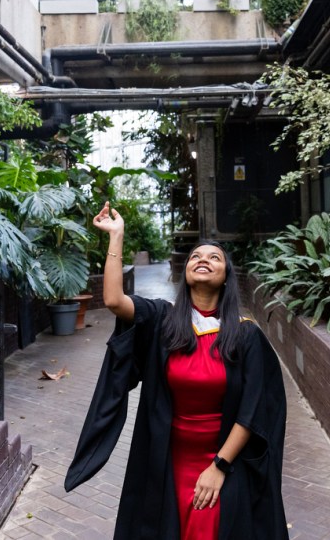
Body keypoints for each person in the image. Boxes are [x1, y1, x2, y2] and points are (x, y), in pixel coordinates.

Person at [64, 202, 289, 540]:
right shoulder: (163, 321)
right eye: (196, 256)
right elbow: (114, 300)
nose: (203, 259)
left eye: (214, 258)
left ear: (227, 276)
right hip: (167, 460)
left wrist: (219, 467)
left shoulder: (245, 335)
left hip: (222, 460)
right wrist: (116, 235)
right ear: (185, 273)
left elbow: (252, 412)